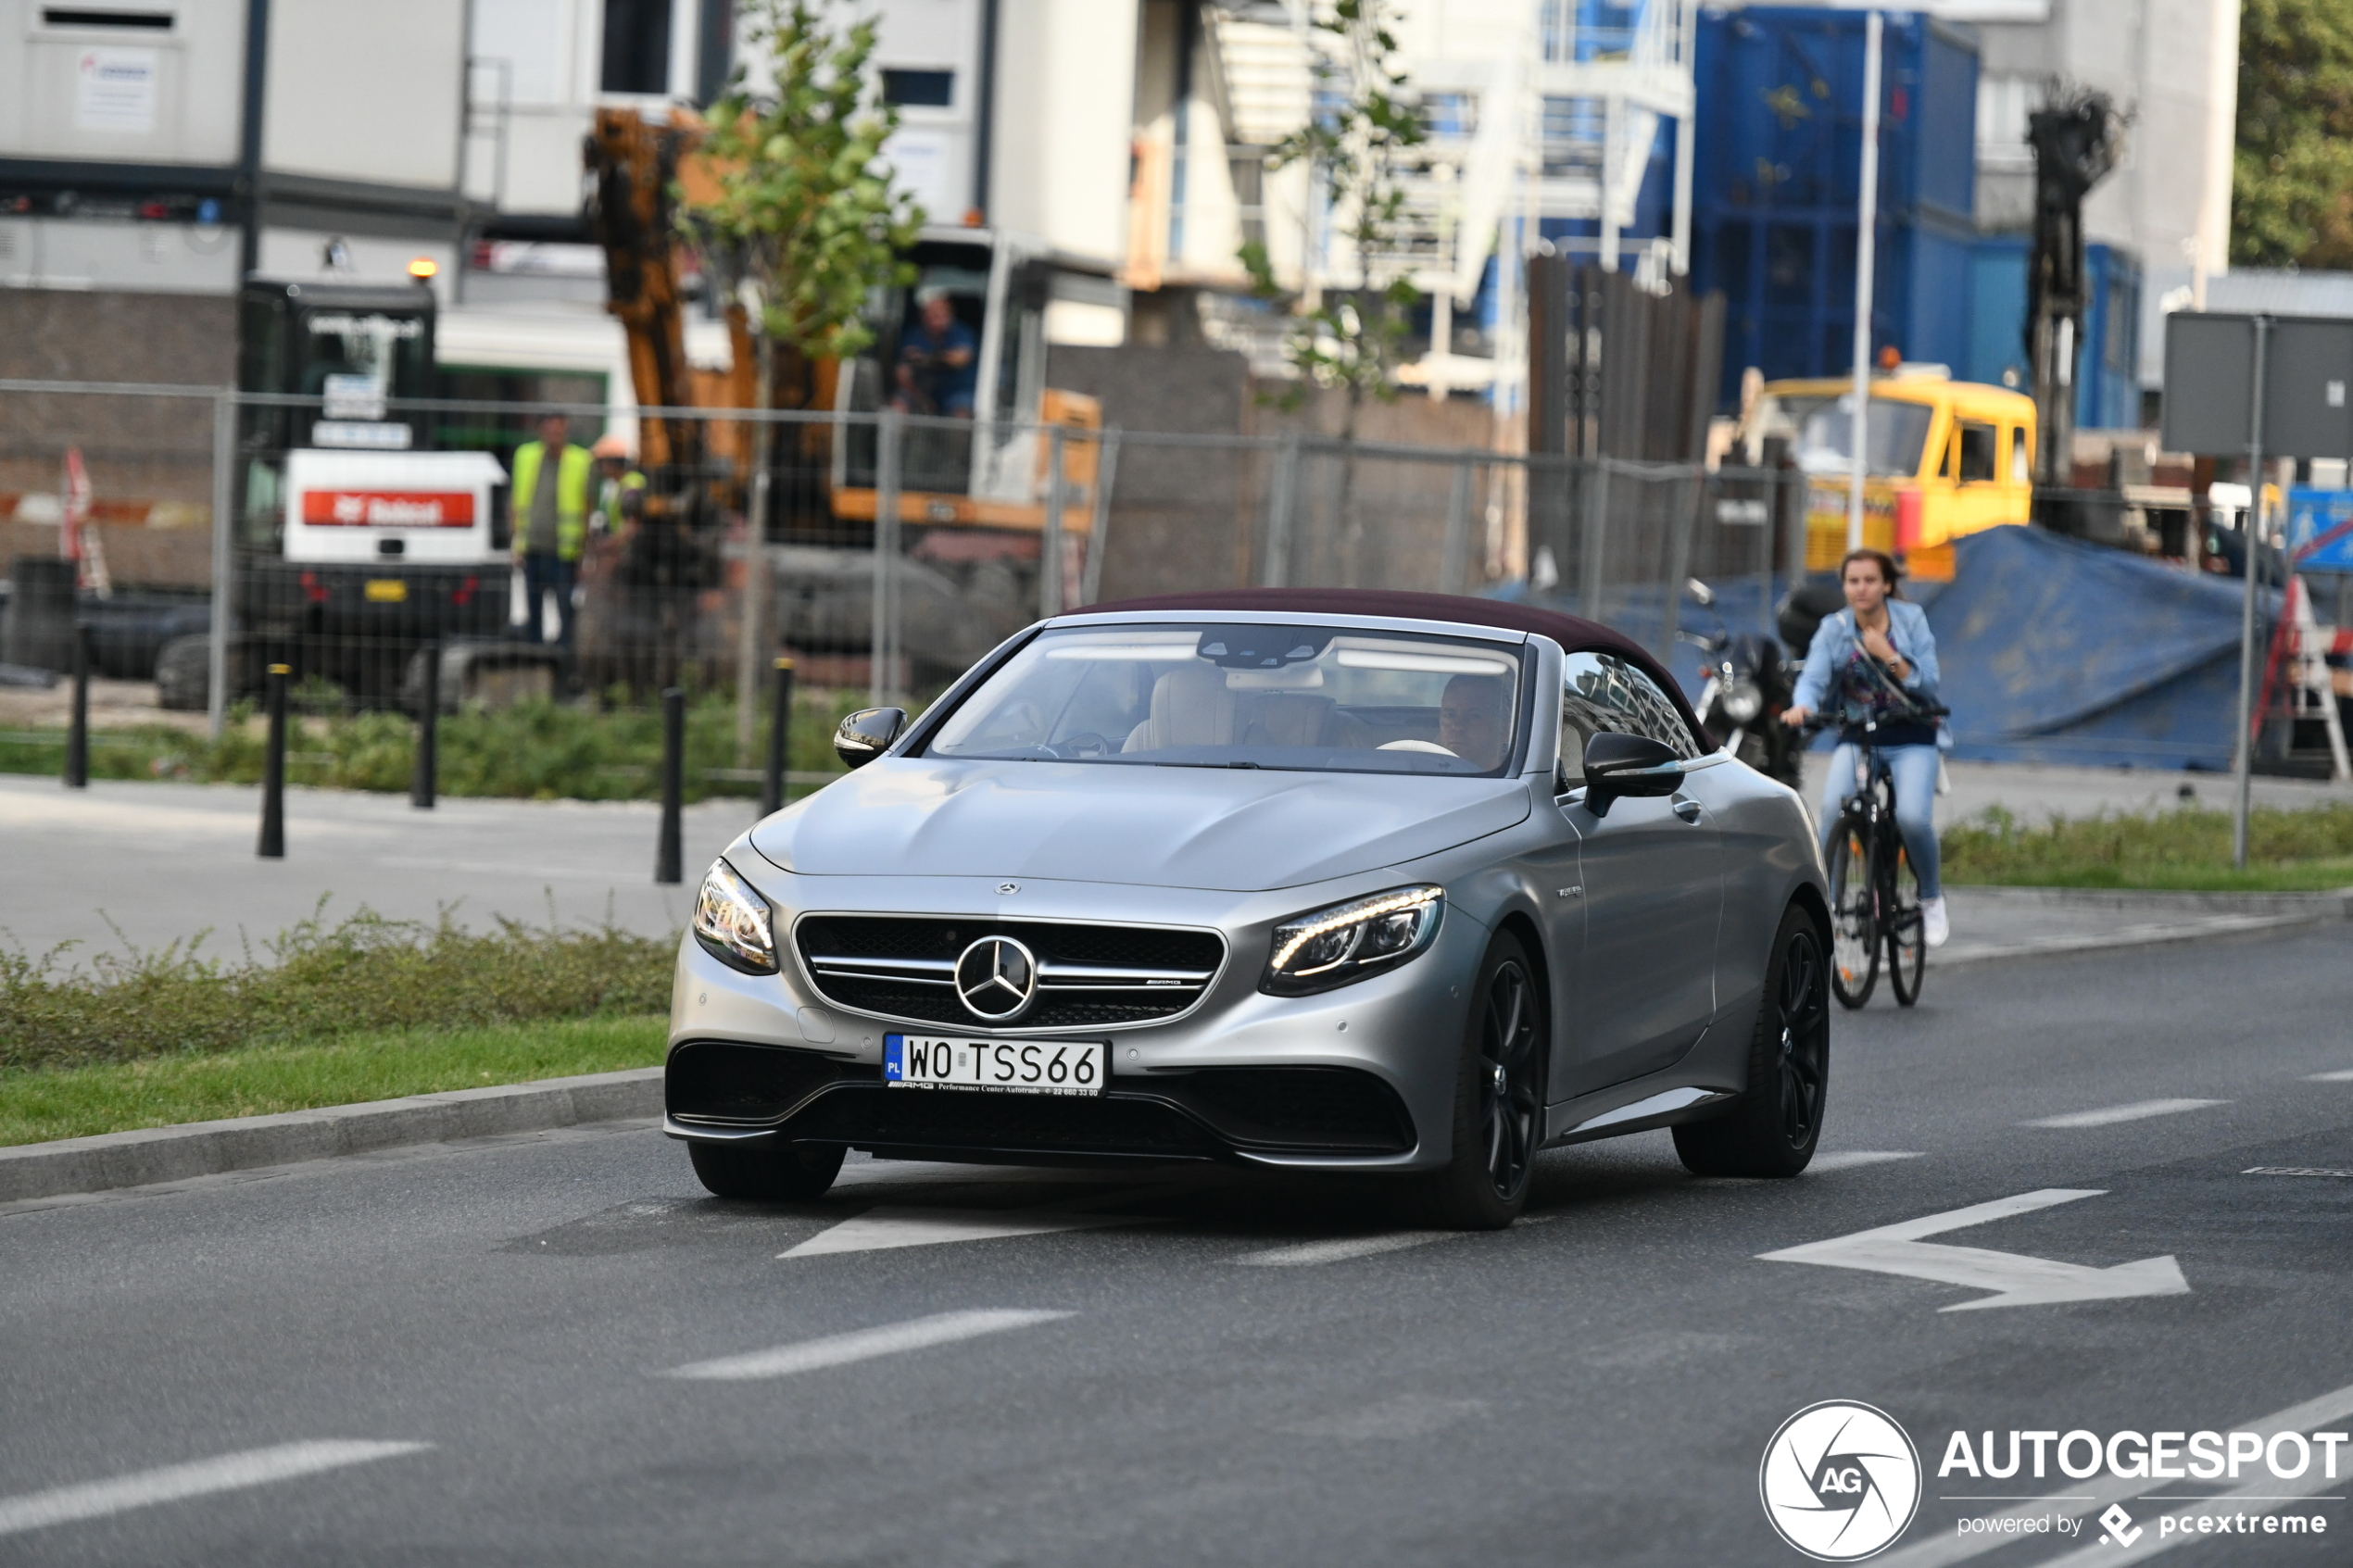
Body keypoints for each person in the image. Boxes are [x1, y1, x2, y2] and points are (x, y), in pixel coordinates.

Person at [1782, 548, 1948, 947]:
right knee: (1830, 809)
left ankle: (1930, 897)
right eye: (1853, 581)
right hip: (1859, 737)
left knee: (1912, 818)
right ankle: (1829, 902)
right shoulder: (1834, 628)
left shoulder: (1911, 620)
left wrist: (1889, 656)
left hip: (1912, 737)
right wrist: (1802, 704)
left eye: (1870, 580)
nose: (1861, 588)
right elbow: (1815, 675)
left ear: (1887, 585)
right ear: (1843, 586)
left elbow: (1929, 684)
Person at [510, 414, 593, 648]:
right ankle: (535, 655)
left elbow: (587, 505)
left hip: (564, 551)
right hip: (532, 547)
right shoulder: (526, 457)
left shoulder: (579, 460)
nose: (554, 436)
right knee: (533, 607)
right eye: (550, 430)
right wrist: (516, 545)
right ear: (541, 431)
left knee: (565, 610)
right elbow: (516, 503)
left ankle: (565, 659)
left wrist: (583, 553)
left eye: (559, 430)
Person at [891, 288, 977, 416]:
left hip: (956, 389)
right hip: (919, 391)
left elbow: (960, 359)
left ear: (949, 314)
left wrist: (927, 359)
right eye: (930, 313)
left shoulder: (961, 332)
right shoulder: (913, 335)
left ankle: (955, 436)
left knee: (961, 410)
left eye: (940, 313)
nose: (935, 317)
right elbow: (902, 372)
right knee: (897, 407)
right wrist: (922, 399)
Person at [1438, 673, 1510, 770]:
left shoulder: (1517, 779)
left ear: (1504, 728)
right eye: (1449, 715)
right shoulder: (1422, 775)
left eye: (1473, 716)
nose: (1457, 726)